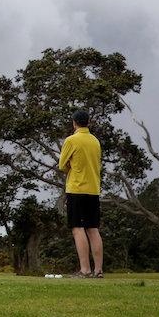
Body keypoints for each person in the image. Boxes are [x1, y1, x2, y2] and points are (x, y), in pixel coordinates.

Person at [58, 109, 103, 278]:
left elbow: (62, 165)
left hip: (77, 188)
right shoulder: (95, 141)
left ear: (74, 123)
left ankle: (85, 270)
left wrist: (71, 164)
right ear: (88, 123)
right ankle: (98, 270)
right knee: (93, 229)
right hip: (93, 189)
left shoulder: (71, 140)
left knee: (78, 229)